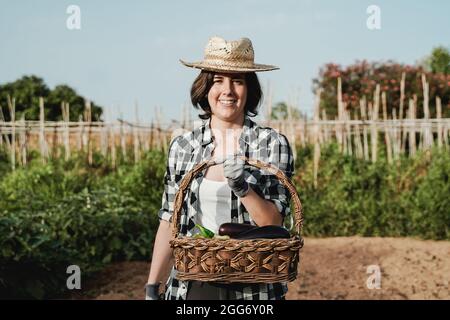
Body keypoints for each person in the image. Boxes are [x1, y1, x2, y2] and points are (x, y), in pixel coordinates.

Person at [145, 36, 295, 300]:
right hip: (193, 283)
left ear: (249, 89)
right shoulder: (184, 146)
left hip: (254, 286)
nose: (228, 90)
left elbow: (274, 224)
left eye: (237, 80)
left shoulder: (272, 144)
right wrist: (151, 286)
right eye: (218, 80)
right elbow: (170, 219)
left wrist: (243, 188)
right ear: (205, 88)